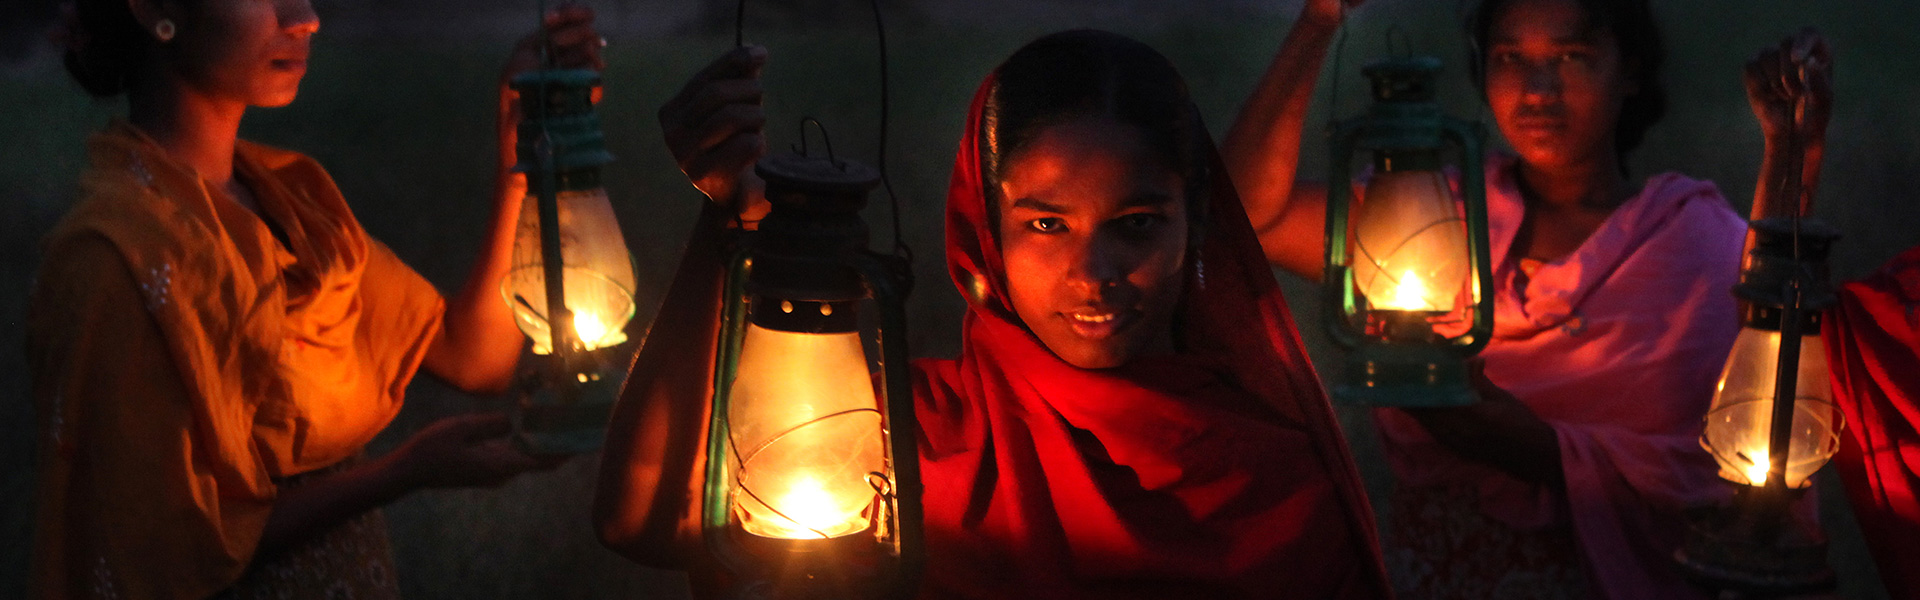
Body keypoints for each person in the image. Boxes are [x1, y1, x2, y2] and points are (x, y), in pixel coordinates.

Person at [595, 30, 1392, 599]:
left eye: (1138, 224)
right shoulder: (901, 440)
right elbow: (642, 519)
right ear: (987, 231)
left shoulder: (1271, 476)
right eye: (1046, 224)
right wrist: (725, 221)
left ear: (1197, 223)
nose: (1094, 275)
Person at [1221, 0, 1814, 597]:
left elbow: (1740, 452)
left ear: (1629, 70)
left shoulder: (1691, 245)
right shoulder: (1428, 220)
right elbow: (1247, 214)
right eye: (1511, 58)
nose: (1538, 90)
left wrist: (1791, 151)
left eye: (1572, 57)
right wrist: (1319, 21)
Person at [28, 0, 605, 596]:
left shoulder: (294, 206)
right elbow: (166, 549)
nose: (304, 18)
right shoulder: (116, 256)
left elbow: (475, 355)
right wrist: (398, 474)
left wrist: (519, 159)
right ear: (156, 10)